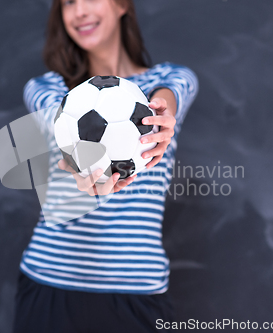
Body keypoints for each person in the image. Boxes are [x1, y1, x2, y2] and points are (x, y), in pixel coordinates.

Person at [13, 0, 198, 332]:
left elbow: (170, 93)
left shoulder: (170, 78)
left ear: (122, 4)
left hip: (137, 294)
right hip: (50, 283)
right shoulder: (46, 89)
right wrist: (84, 182)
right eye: (68, 2)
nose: (79, 11)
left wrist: (160, 113)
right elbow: (58, 127)